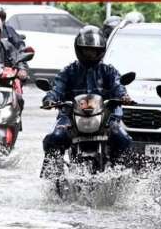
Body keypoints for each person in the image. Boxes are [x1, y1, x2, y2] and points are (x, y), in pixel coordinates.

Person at [41, 26, 133, 177]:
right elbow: (57, 88)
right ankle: (51, 175)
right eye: (86, 50)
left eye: (94, 50)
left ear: (101, 50)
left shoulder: (109, 71)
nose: (90, 54)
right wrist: (50, 99)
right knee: (54, 138)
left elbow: (118, 85)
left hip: (105, 118)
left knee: (123, 139)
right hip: (71, 118)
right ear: (79, 49)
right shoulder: (68, 71)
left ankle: (123, 175)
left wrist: (124, 96)